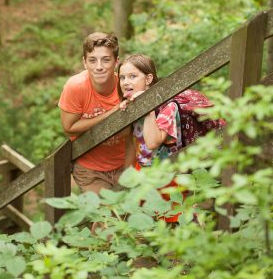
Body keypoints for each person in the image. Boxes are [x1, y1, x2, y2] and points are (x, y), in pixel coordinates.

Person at [118, 54, 226, 223]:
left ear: (148, 79)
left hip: (169, 173)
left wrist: (146, 108)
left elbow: (153, 142)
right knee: (144, 224)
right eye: (122, 77)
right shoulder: (132, 102)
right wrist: (128, 110)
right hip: (144, 172)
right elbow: (128, 136)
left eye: (133, 76)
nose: (126, 82)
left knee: (179, 220)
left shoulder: (168, 106)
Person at [57, 32, 132, 194]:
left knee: (127, 215)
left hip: (122, 164)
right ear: (85, 62)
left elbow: (132, 134)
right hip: (89, 169)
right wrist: (111, 113)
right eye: (92, 60)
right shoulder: (76, 86)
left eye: (106, 59)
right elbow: (69, 127)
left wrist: (128, 170)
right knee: (106, 215)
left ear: (116, 62)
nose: (99, 66)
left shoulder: (126, 86)